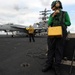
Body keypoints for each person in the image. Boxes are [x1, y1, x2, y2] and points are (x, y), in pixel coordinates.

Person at [42, 0, 71, 75]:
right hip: (52, 33)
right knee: (50, 49)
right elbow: (49, 23)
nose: (53, 9)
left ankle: (57, 66)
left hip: (61, 33)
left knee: (59, 50)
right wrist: (53, 15)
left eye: (54, 7)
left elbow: (69, 23)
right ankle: (48, 64)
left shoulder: (65, 13)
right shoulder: (52, 15)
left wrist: (62, 23)